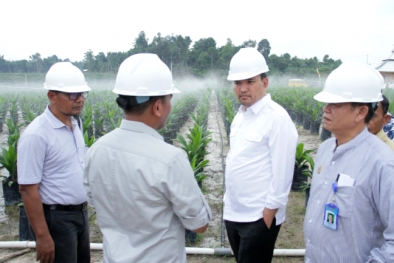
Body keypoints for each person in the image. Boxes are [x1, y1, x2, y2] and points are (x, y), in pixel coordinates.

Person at [84, 53, 211, 263]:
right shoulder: (170, 159)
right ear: (158, 106)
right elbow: (199, 224)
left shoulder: (95, 150)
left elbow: (93, 200)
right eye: (170, 99)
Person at [304, 62, 394, 262]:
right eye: (326, 103)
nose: (326, 109)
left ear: (361, 112)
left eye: (335, 104)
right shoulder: (326, 149)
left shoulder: (382, 163)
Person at [223, 48, 298, 263]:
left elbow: (283, 172)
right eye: (237, 82)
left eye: (250, 81)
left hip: (258, 216)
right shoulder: (240, 115)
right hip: (234, 212)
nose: (242, 88)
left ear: (264, 83)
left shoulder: (277, 118)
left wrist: (268, 214)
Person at [18, 62, 91, 263]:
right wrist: (42, 236)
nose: (80, 100)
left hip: (80, 214)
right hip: (57, 219)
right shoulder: (36, 135)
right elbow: (27, 189)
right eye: (72, 95)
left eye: (82, 94)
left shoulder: (75, 123)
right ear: (52, 96)